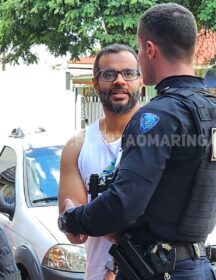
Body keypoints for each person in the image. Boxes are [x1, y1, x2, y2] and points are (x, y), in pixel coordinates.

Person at [58, 3, 216, 280]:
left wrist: (71, 217)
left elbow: (123, 206)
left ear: (150, 50)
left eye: (140, 51)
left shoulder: (157, 116)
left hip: (157, 268)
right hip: (198, 265)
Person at [58, 44, 142, 280]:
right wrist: (76, 222)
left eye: (128, 73)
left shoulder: (159, 138)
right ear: (96, 83)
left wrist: (102, 219)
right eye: (109, 74)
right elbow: (74, 230)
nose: (119, 81)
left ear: (141, 81)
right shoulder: (77, 147)